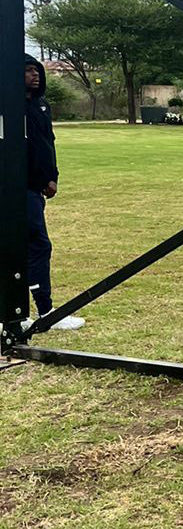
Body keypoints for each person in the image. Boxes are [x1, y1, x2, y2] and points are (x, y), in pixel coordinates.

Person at [22, 56, 85, 333]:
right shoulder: (11, 107)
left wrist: (52, 177)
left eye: (36, 70)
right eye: (27, 71)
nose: (35, 75)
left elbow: (48, 143)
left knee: (31, 245)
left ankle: (30, 311)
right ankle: (43, 311)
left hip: (36, 187)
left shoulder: (41, 105)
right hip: (15, 188)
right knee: (36, 245)